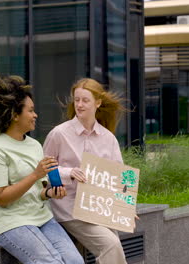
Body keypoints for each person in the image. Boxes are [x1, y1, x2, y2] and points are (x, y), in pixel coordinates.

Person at [0, 75, 84, 264]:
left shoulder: (34, 145)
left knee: (76, 261)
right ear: (15, 115)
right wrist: (36, 174)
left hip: (41, 217)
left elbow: (37, 192)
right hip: (10, 222)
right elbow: (1, 198)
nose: (36, 115)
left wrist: (50, 192)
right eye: (31, 110)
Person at [43, 78, 128, 264]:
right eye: (77, 100)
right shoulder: (59, 134)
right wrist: (69, 172)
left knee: (113, 247)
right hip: (70, 209)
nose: (79, 105)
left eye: (85, 100)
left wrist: (126, 207)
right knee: (111, 245)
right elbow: (43, 171)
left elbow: (120, 178)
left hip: (100, 207)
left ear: (98, 103)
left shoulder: (108, 138)